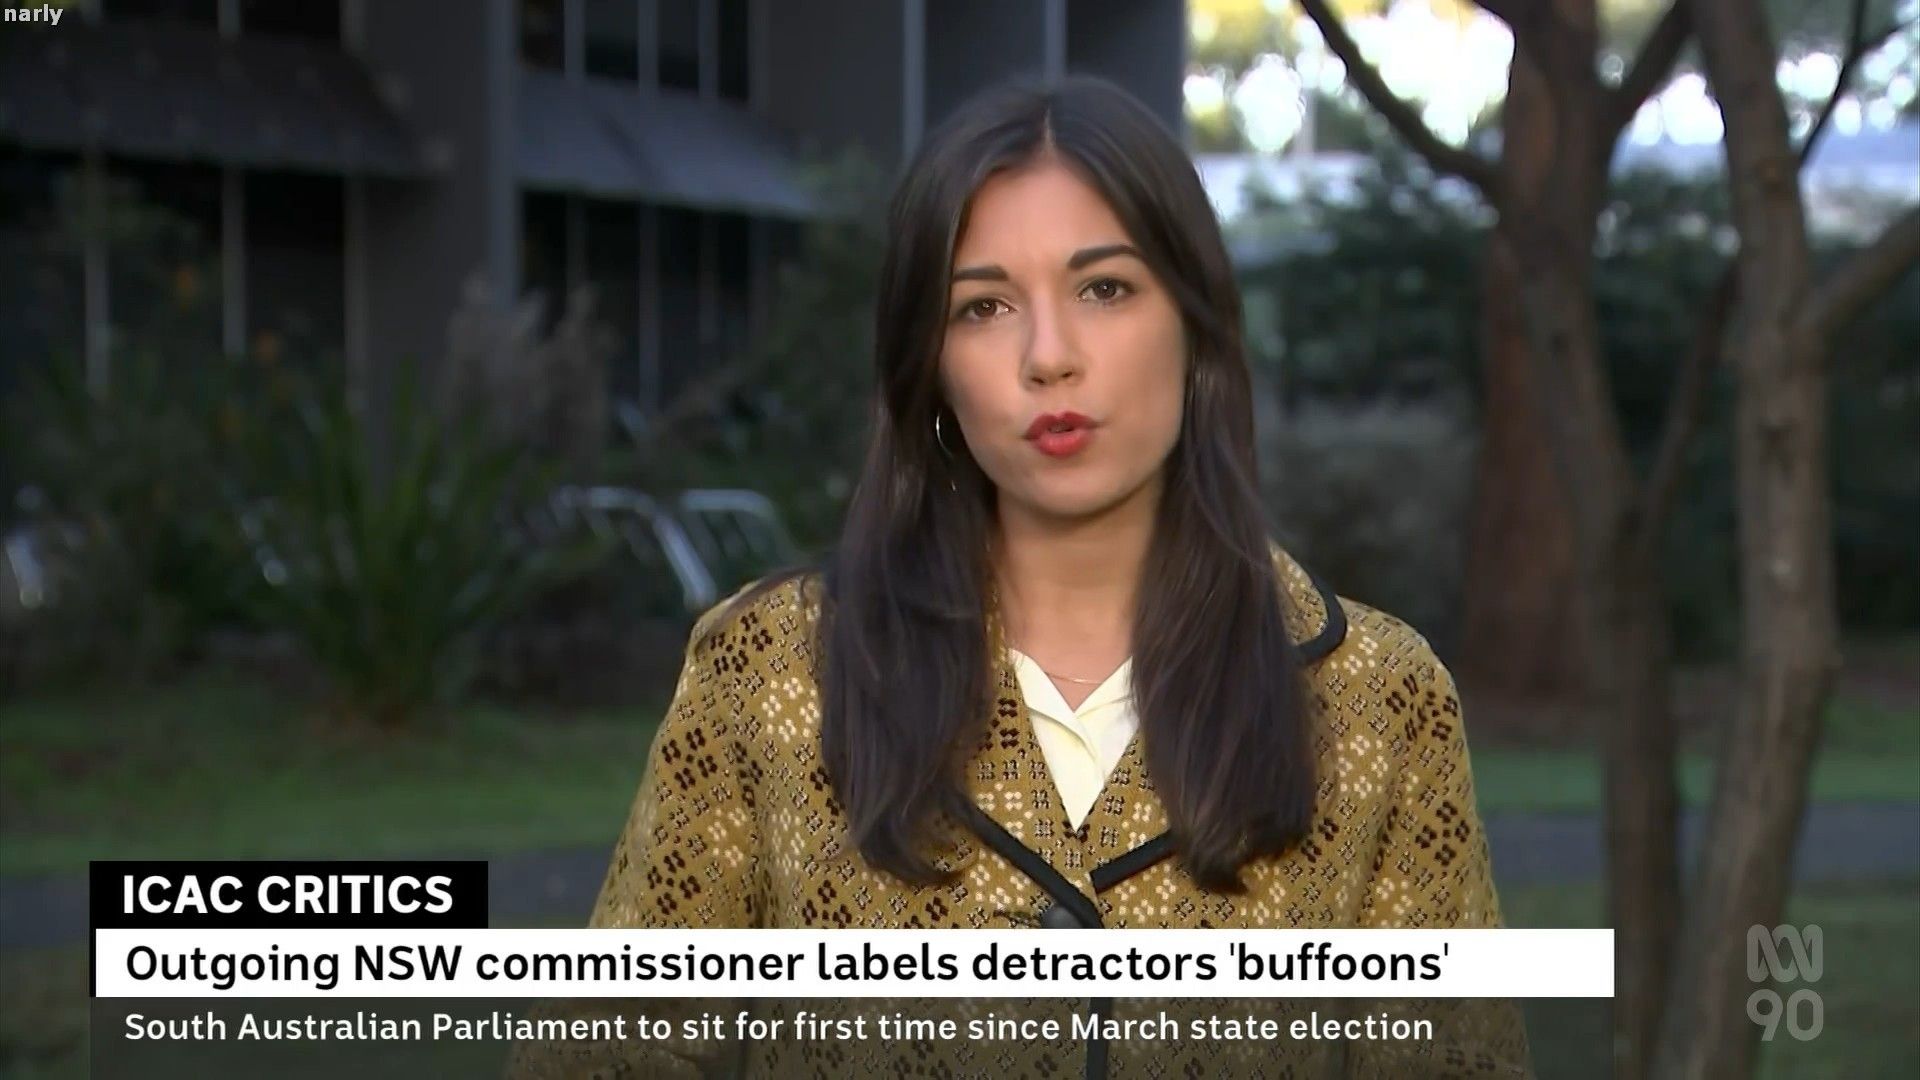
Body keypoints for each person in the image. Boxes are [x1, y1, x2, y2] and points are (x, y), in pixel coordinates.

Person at [506, 75, 1532, 1079]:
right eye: (985, 306)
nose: (1049, 355)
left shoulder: (1379, 699)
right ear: (930, 368)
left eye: (1104, 289)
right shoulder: (771, 672)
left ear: (1197, 326)